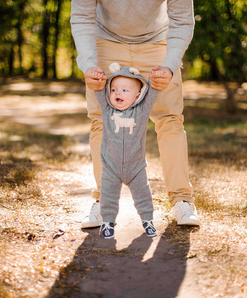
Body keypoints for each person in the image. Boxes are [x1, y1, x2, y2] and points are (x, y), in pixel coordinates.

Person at [70, 0, 201, 228]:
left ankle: (182, 199)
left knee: (170, 120)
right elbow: (82, 16)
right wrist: (88, 64)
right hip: (107, 41)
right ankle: (104, 201)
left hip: (158, 43)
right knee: (102, 121)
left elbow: (182, 20)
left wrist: (170, 65)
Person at [94, 63, 161, 239]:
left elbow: (152, 94)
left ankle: (148, 221)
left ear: (138, 96)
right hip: (111, 167)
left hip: (136, 167)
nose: (118, 93)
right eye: (114, 89)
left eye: (125, 90)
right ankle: (108, 222)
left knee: (143, 195)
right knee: (107, 195)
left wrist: (153, 80)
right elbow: (98, 91)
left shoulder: (142, 111)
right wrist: (99, 80)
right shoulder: (107, 110)